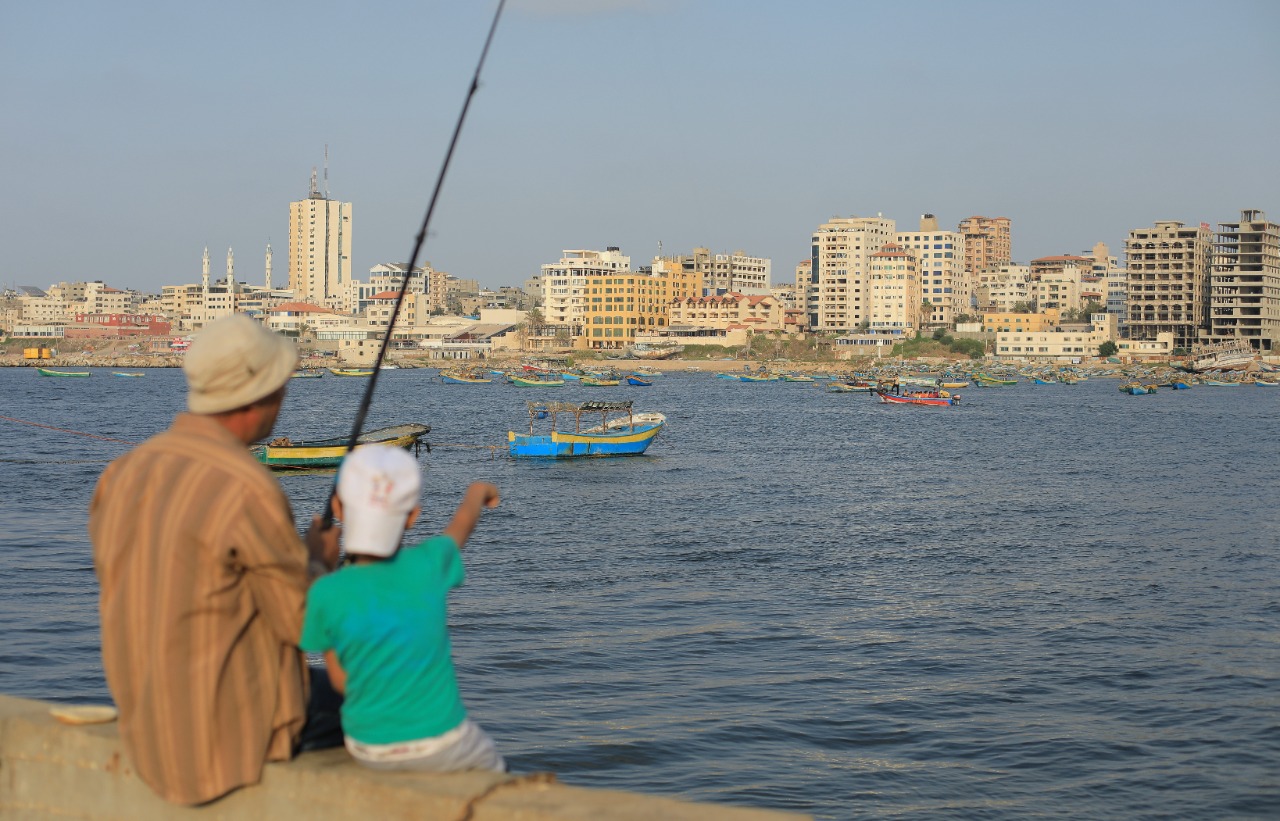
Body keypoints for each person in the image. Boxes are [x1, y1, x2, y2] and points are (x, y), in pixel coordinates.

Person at [90, 314, 342, 806]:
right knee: (385, 701)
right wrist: (318, 564)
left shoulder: (121, 473)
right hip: (223, 742)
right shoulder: (247, 488)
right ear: (259, 397)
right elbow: (304, 625)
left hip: (147, 724)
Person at [300, 445, 505, 773]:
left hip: (368, 747)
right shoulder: (428, 564)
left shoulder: (325, 591)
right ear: (412, 516)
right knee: (494, 768)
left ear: (337, 507)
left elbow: (341, 682)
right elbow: (460, 528)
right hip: (445, 742)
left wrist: (317, 562)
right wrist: (478, 492)